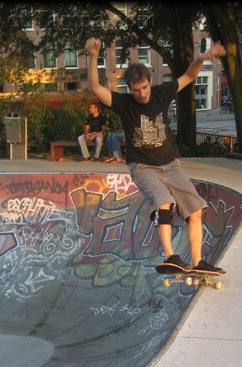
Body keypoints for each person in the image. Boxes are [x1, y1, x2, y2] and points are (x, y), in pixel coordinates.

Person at [84, 37, 227, 275]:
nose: (141, 94)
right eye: (136, 90)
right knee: (165, 203)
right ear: (130, 89)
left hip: (171, 164)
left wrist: (202, 57)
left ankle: (198, 262)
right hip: (143, 167)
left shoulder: (162, 93)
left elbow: (189, 77)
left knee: (195, 209)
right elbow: (96, 88)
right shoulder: (124, 103)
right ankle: (171, 256)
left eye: (145, 88)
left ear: (151, 82)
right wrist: (93, 57)